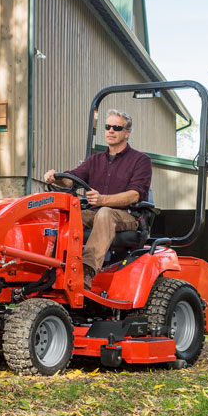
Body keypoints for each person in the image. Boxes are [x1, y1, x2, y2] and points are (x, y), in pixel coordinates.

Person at [43, 109, 152, 290]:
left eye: (116, 127)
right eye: (108, 126)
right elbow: (72, 177)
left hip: (128, 216)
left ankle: (86, 271)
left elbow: (135, 194)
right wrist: (56, 177)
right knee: (60, 216)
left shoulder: (140, 160)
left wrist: (102, 200)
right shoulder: (94, 160)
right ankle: (47, 264)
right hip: (95, 213)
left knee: (105, 213)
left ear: (127, 133)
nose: (110, 131)